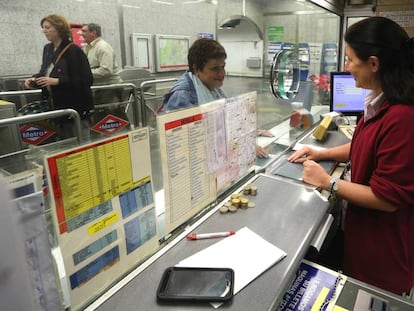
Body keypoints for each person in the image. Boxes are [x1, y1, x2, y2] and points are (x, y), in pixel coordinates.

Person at [288, 16, 414, 295]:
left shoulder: (402, 117)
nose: (346, 68)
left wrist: (327, 182)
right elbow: (365, 145)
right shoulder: (379, 100)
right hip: (359, 238)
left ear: (373, 63)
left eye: (350, 59)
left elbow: (388, 199)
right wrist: (322, 152)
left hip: (380, 254)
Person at [161, 37, 272, 157]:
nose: (222, 73)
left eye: (223, 67)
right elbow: (188, 143)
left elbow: (227, 118)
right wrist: (240, 144)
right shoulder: (183, 96)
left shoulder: (213, 87)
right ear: (196, 68)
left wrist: (246, 131)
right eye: (215, 68)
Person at [24, 14, 93, 139]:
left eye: (47, 27)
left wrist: (57, 81)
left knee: (79, 145)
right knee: (64, 146)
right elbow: (46, 72)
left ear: (59, 28)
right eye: (43, 27)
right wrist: (34, 79)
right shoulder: (48, 49)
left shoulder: (73, 50)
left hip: (75, 108)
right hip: (56, 107)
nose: (44, 30)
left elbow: (86, 80)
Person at [81, 23, 123, 104]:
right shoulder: (88, 48)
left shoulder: (102, 47)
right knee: (102, 115)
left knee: (111, 115)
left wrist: (85, 73)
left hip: (109, 89)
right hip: (100, 88)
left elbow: (106, 70)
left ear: (94, 32)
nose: (81, 34)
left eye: (84, 31)